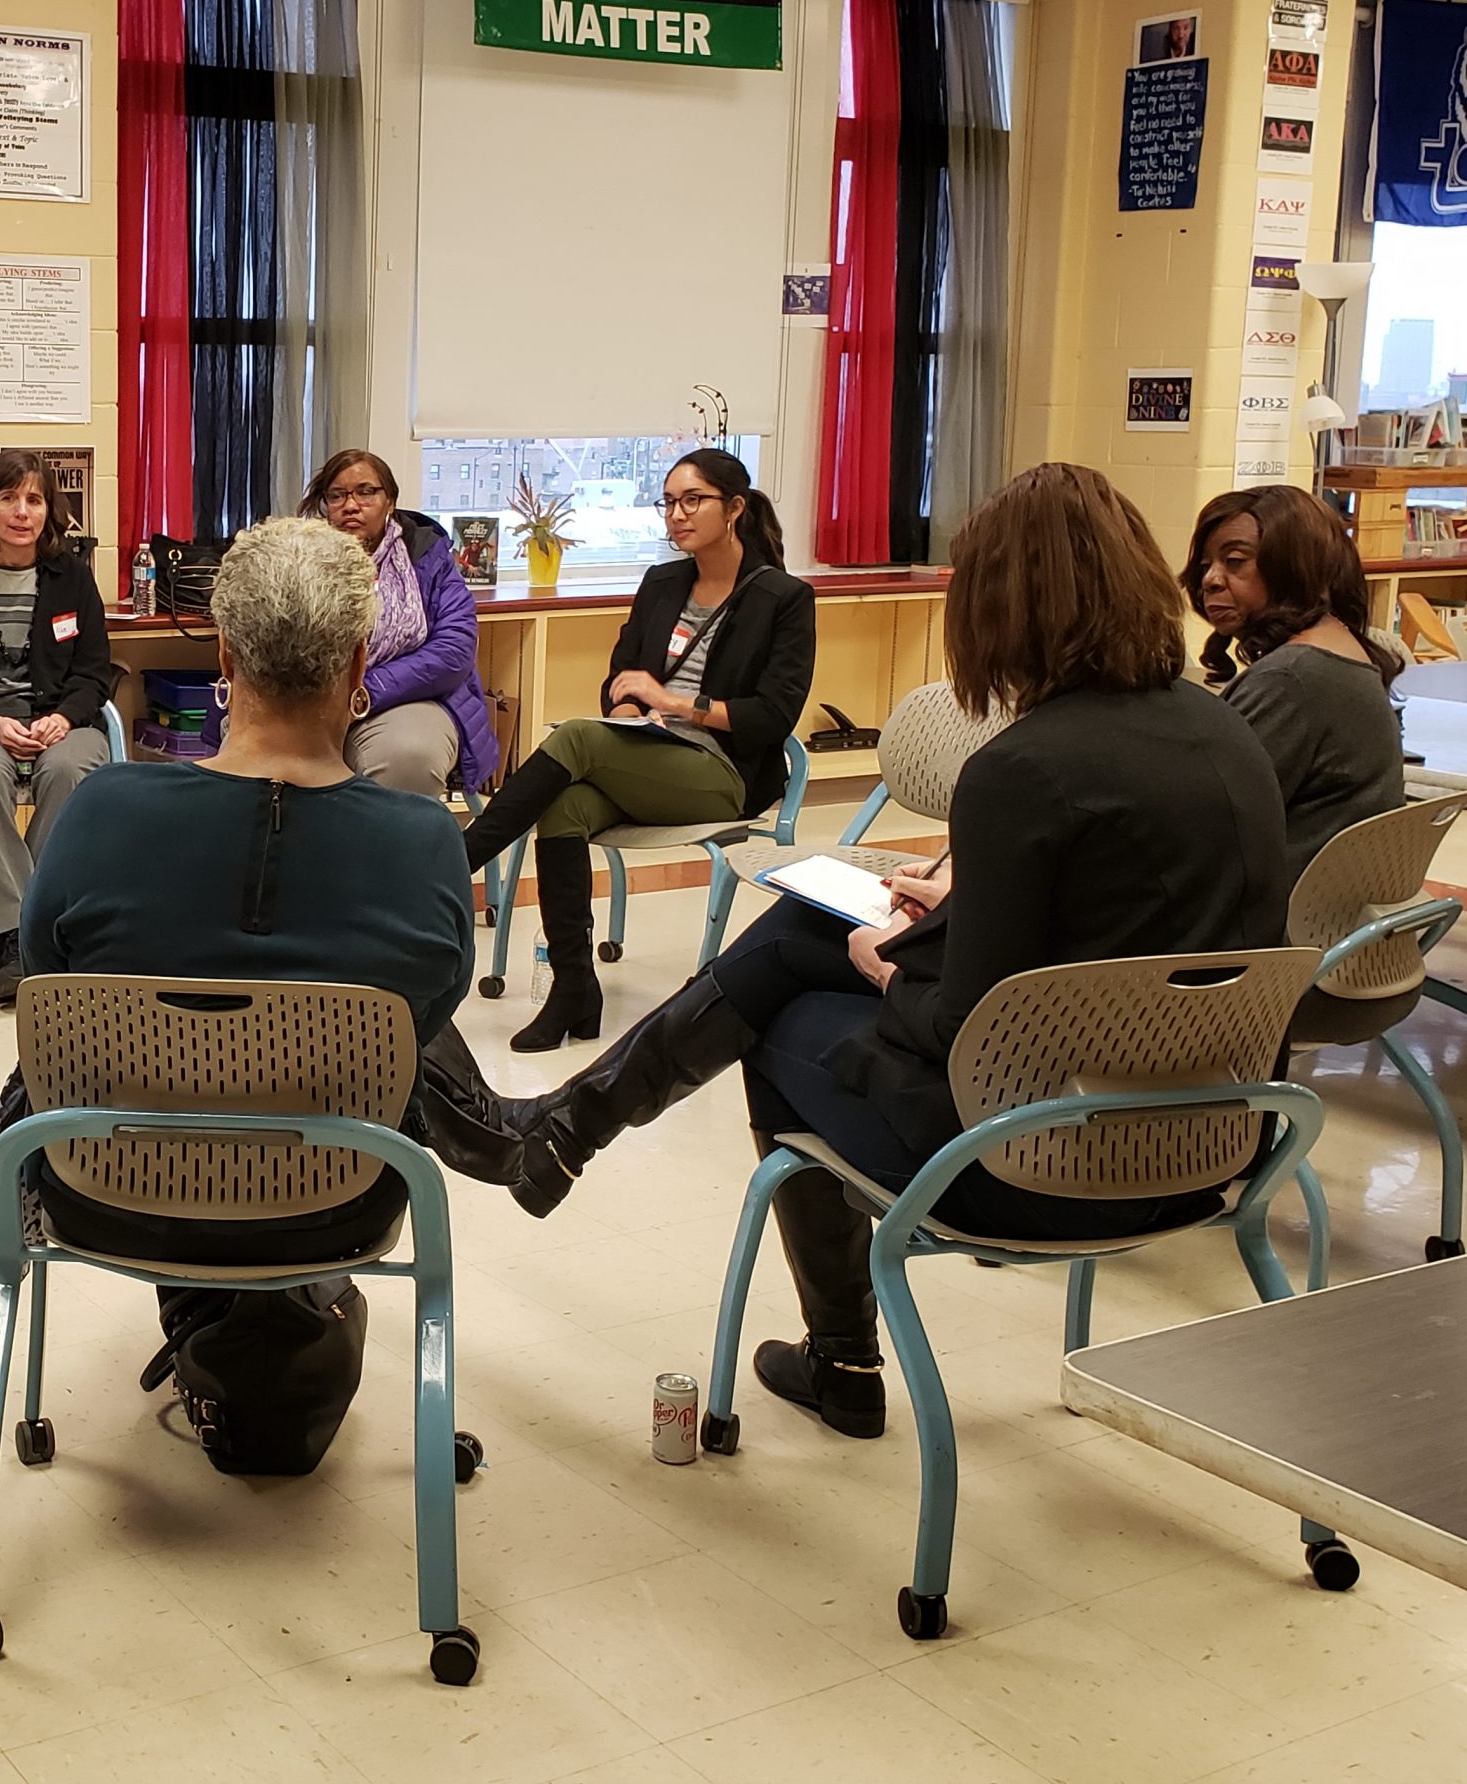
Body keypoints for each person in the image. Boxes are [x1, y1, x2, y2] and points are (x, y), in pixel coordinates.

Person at [440, 465, 1291, 1441]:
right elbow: (1126, 927)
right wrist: (941, 914)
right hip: (1208, 1140)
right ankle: (574, 1125)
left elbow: (960, 1030)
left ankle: (836, 1350)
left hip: (1040, 1159)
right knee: (808, 932)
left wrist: (889, 963)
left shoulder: (1023, 768)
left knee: (782, 1019)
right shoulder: (1225, 734)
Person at [0, 515, 475, 1266]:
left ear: (225, 654)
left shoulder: (100, 809)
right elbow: (432, 1010)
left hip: (106, 1190)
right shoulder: (425, 839)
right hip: (337, 1200)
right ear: (361, 662)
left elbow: (46, 972)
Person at [455, 449, 816, 1052]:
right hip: (648, 756)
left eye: (692, 500)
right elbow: (622, 674)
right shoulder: (662, 581)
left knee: (572, 737)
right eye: (669, 502)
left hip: (723, 772)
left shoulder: (783, 597)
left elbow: (773, 717)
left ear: (734, 508)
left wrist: (673, 705)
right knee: (565, 806)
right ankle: (575, 987)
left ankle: (450, 869)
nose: (676, 515)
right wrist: (626, 711)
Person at [0, 450, 119, 1005]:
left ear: (49, 510)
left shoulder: (74, 580)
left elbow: (94, 672)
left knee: (67, 769)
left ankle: (21, 933)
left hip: (65, 722)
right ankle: (22, 937)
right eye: (8, 498)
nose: (21, 511)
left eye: (34, 499)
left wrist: (62, 717)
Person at [1183, 485, 1406, 878]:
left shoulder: (1291, 678)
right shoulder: (1339, 646)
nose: (1211, 581)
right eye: (1206, 565)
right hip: (1333, 908)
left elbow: (1205, 823)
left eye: (1234, 562)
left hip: (1279, 920)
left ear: (1294, 568)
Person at [299, 450, 499, 802]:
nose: (351, 505)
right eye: (337, 495)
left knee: (409, 758)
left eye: (365, 492)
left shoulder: (427, 555)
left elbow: (453, 652)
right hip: (308, 698)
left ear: (389, 500)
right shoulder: (294, 556)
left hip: (405, 698)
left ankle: (388, 857)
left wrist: (364, 694)